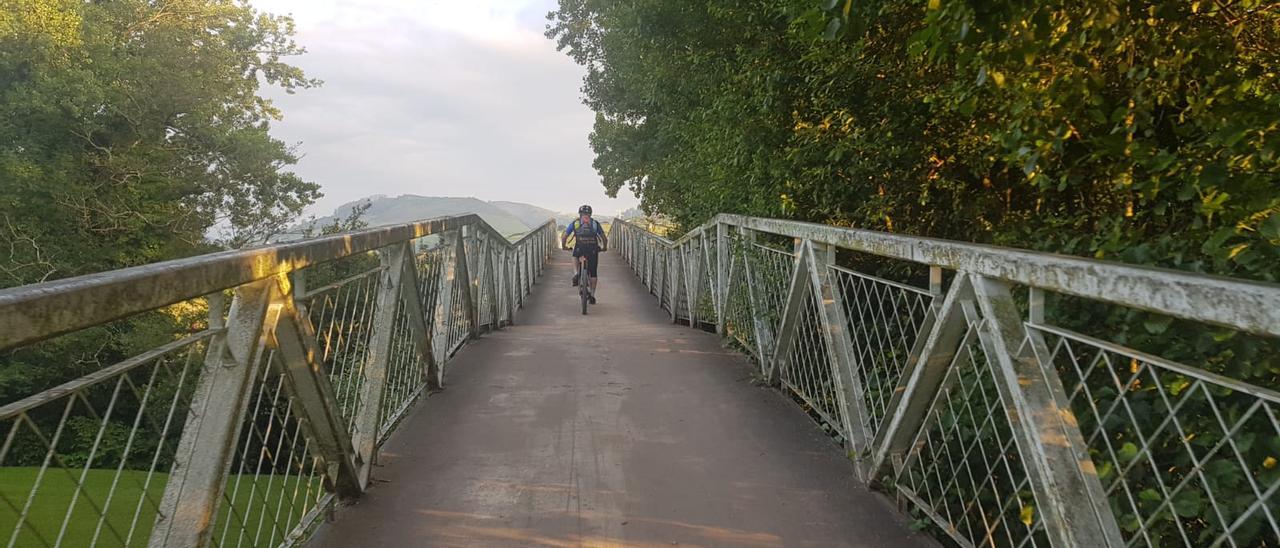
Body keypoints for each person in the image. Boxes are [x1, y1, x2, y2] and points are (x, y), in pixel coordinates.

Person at [561, 204, 607, 304]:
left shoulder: (575, 223)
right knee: (593, 273)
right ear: (590, 214)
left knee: (574, 255)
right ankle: (593, 295)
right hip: (593, 249)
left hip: (580, 247)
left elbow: (564, 237)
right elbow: (604, 238)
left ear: (580, 214)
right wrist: (604, 247)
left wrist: (564, 246)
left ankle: (576, 273)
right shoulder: (595, 224)